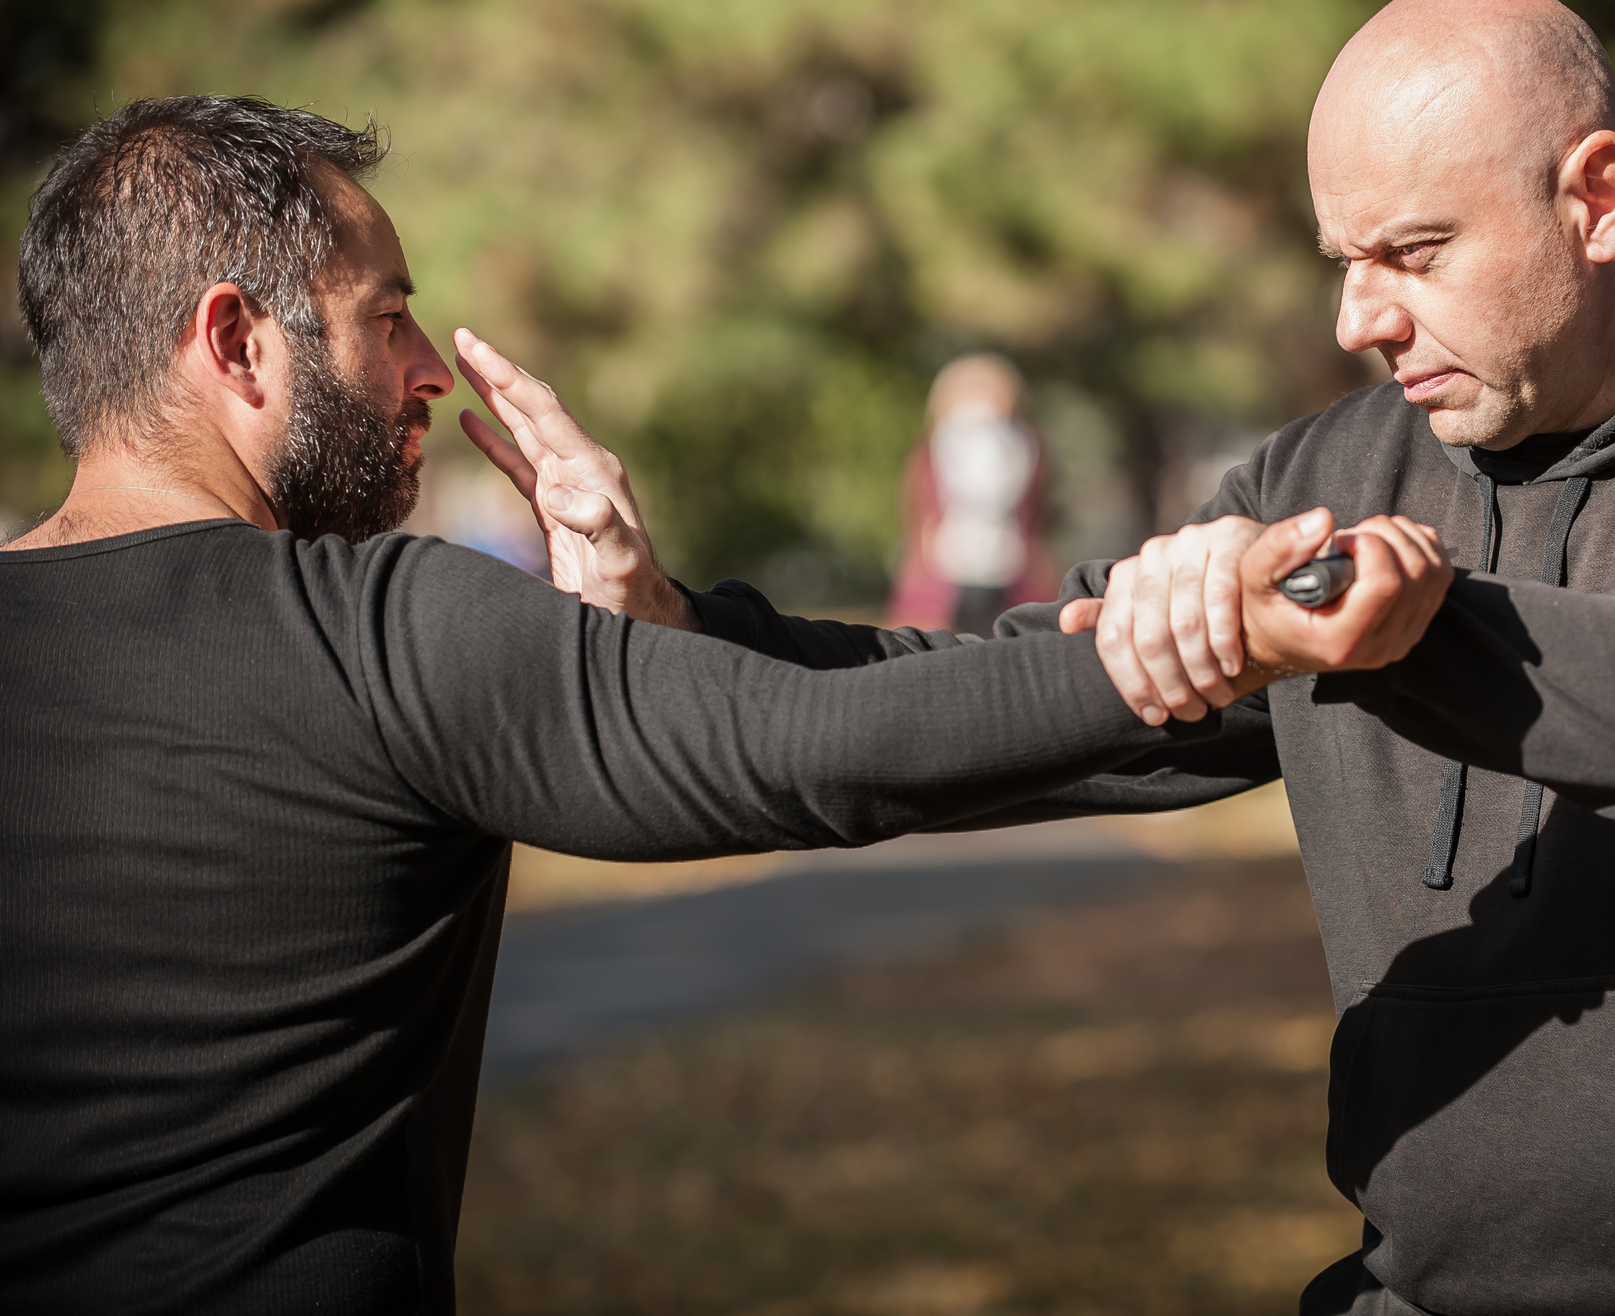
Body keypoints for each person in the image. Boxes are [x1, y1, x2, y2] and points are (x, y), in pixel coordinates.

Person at [560, 0, 1615, 1315]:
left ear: (1599, 197)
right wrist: (685, 633)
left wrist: (1403, 638)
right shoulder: (1320, 484)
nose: (1359, 316)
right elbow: (993, 703)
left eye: (1413, 251)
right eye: (1341, 257)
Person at [0, 95, 1448, 1313]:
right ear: (239, 343)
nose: (429, 368)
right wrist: (1210, 636)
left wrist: (660, 626)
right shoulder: (376, 634)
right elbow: (813, 754)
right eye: (386, 319)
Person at [886, 351, 1055, 636]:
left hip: (1012, 565)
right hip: (940, 566)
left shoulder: (1026, 449)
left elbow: (1036, 510)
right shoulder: (930, 451)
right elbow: (919, 506)